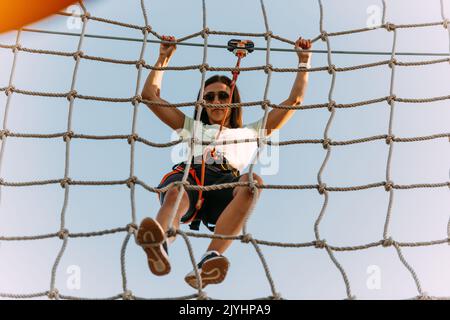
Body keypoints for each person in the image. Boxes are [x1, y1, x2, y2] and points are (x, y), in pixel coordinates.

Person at [137, 34, 312, 289]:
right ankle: (160, 241)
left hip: (226, 185)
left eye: (221, 96)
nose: (216, 101)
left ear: (232, 100)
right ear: (203, 104)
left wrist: (304, 62)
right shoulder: (192, 127)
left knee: (253, 182)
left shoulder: (251, 133)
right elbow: (150, 95)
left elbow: (294, 101)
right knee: (176, 192)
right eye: (209, 98)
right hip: (193, 175)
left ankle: (211, 257)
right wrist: (164, 57)